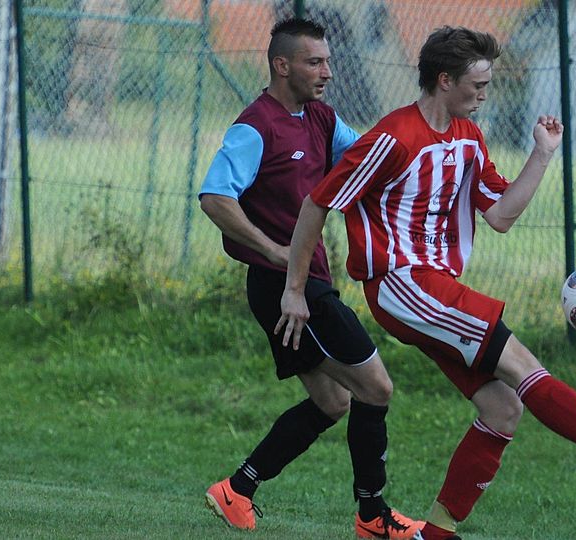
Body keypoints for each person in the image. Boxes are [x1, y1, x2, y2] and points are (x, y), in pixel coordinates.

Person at [278, 26, 576, 540]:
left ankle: (437, 533)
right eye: (478, 84)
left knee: (502, 406)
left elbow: (500, 214)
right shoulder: (393, 138)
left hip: (432, 286)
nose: (485, 93)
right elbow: (318, 202)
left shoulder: (469, 137)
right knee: (521, 363)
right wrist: (295, 290)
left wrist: (542, 153)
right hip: (403, 284)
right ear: (444, 80)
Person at [198, 18, 424, 539]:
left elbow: (366, 156)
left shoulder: (320, 118)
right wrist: (274, 250)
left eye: (327, 61)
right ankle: (372, 517)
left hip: (304, 280)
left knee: (333, 401)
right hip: (286, 287)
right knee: (375, 388)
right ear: (282, 65)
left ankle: (237, 490)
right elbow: (215, 198)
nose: (327, 71)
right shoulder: (255, 127)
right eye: (314, 62)